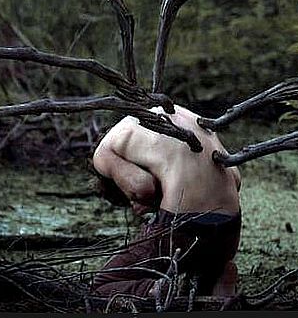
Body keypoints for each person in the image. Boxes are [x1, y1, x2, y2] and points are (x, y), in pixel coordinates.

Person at [90, 104, 241, 299]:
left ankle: (154, 290)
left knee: (102, 286)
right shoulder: (186, 116)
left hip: (182, 225)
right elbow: (236, 179)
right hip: (229, 226)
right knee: (200, 281)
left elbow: (141, 187)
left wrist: (141, 200)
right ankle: (218, 276)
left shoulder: (103, 152)